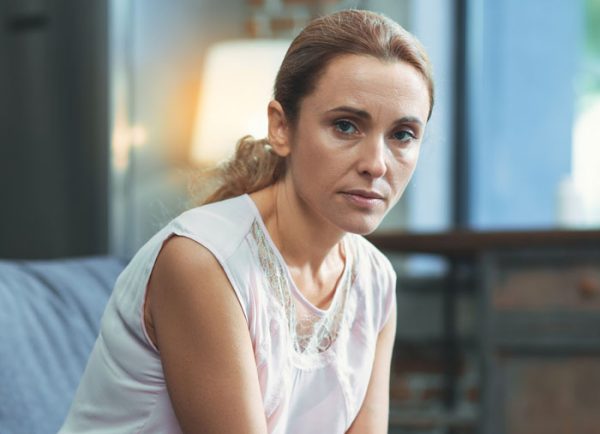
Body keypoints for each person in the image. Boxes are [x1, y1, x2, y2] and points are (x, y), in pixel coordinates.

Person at [59, 8, 433, 434]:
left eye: (402, 135)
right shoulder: (204, 262)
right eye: (346, 126)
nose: (376, 164)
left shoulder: (374, 280)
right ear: (281, 128)